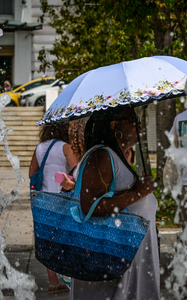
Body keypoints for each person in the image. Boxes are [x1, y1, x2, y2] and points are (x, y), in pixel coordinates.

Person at [69, 106, 159, 300]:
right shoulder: (101, 155)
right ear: (114, 125)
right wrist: (137, 193)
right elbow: (90, 206)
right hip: (109, 259)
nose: (139, 123)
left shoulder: (114, 156)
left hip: (124, 259)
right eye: (132, 118)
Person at [29, 123, 78, 293]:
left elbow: (31, 173)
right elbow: (77, 172)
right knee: (66, 236)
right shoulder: (66, 147)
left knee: (48, 238)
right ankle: (68, 278)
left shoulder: (40, 148)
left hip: (43, 199)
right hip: (62, 197)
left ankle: (53, 281)